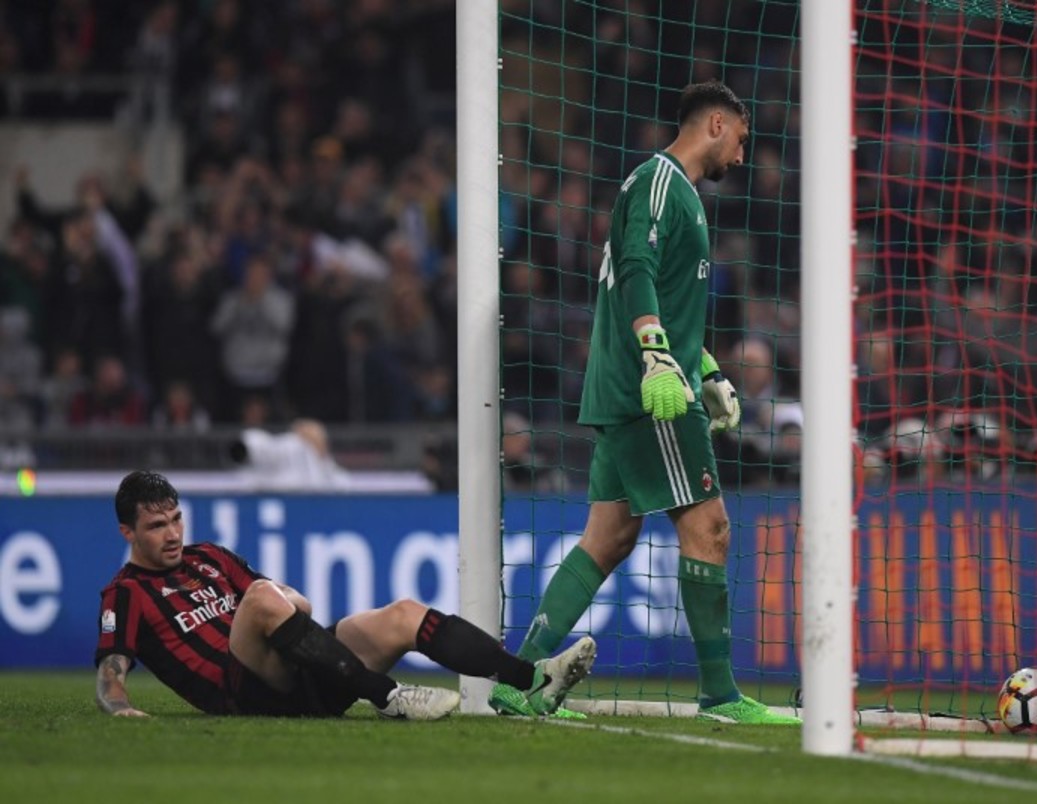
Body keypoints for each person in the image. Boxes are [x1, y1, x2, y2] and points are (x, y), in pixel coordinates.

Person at [489, 80, 798, 724]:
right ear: (717, 124)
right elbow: (636, 268)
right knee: (710, 528)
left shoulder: (677, 193)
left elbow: (667, 293)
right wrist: (658, 355)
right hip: (652, 390)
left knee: (608, 537)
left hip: (639, 382)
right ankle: (720, 697)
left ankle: (518, 682)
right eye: (741, 139)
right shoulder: (661, 182)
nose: (742, 156)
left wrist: (705, 366)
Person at [95, 470, 595, 719]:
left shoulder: (210, 556)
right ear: (126, 533)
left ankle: (530, 680)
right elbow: (111, 670)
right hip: (244, 690)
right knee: (264, 597)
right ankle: (387, 695)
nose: (173, 534)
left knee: (402, 614)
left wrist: (288, 603)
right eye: (157, 526)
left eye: (176, 519)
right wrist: (118, 707)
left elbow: (289, 602)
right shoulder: (126, 594)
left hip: (306, 669)